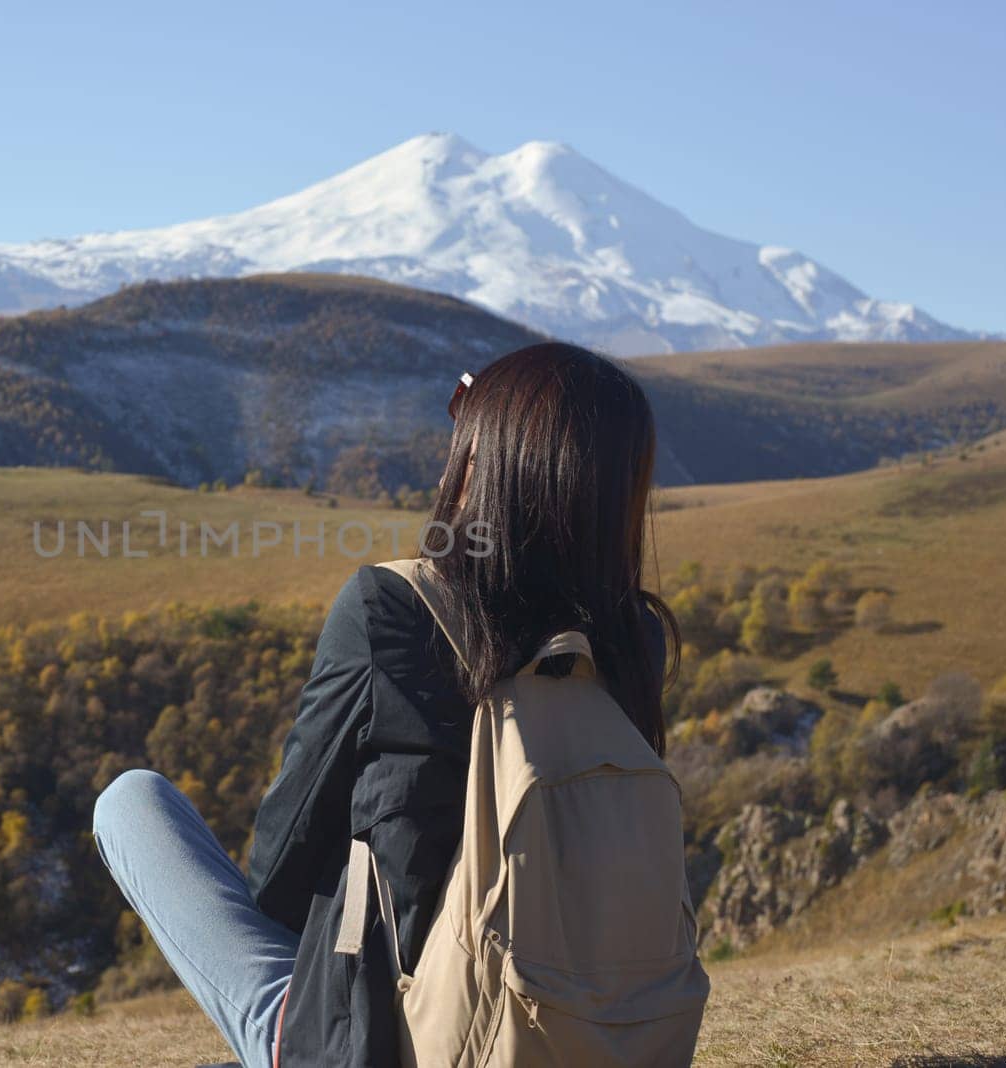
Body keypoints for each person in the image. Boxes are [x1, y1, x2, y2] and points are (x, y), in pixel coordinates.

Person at [93, 342, 679, 1068]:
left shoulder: (394, 606)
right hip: (587, 1033)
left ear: (484, 461)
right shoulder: (633, 642)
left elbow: (279, 871)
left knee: (130, 802)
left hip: (383, 1040)